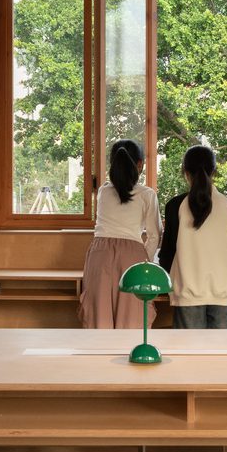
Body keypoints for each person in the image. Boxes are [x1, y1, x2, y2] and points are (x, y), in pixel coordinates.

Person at [80, 140, 161, 328]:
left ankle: (98, 356)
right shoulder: (147, 194)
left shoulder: (103, 192)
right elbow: (155, 235)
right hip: (132, 254)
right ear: (140, 164)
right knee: (132, 315)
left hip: (99, 253)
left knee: (99, 314)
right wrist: (143, 260)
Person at [157, 145, 227, 329]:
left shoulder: (175, 205)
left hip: (188, 288)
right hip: (223, 288)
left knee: (189, 352)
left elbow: (167, 252)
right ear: (214, 171)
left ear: (184, 171)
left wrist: (168, 277)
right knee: (219, 353)